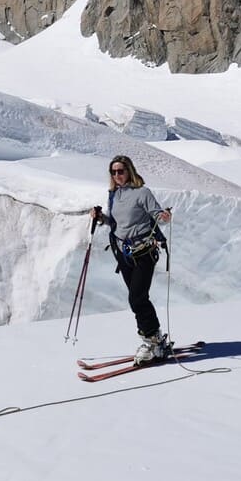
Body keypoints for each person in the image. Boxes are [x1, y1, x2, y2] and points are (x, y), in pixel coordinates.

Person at [92, 154, 174, 365]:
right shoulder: (114, 194)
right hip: (123, 253)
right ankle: (155, 339)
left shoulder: (142, 192)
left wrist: (163, 217)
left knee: (137, 299)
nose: (117, 175)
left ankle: (151, 341)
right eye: (114, 172)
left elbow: (156, 214)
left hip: (144, 252)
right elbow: (115, 222)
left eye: (121, 170)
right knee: (138, 298)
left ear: (130, 170)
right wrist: (101, 218)